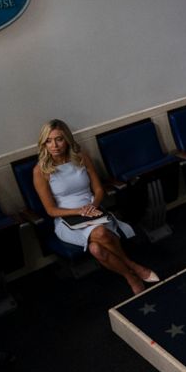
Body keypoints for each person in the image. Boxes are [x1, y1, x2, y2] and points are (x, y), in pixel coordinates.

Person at [32, 119, 158, 295]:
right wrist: (79, 211)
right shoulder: (40, 171)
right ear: (43, 143)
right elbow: (51, 210)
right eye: (48, 141)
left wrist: (92, 206)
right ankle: (134, 267)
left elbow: (98, 190)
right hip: (67, 220)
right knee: (100, 233)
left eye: (59, 139)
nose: (54, 145)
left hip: (94, 210)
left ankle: (131, 278)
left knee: (96, 249)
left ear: (67, 139)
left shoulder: (81, 158)